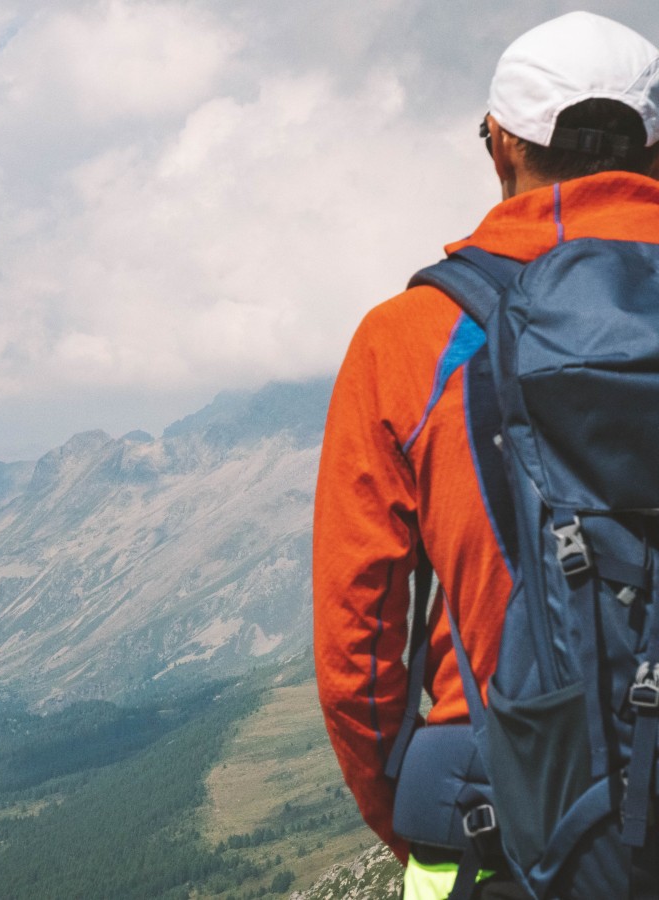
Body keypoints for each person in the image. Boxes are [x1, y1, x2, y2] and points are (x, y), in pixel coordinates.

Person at [312, 11, 659, 900]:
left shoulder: (409, 339)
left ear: (500, 145)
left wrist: (417, 802)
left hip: (495, 816)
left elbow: (359, 642)